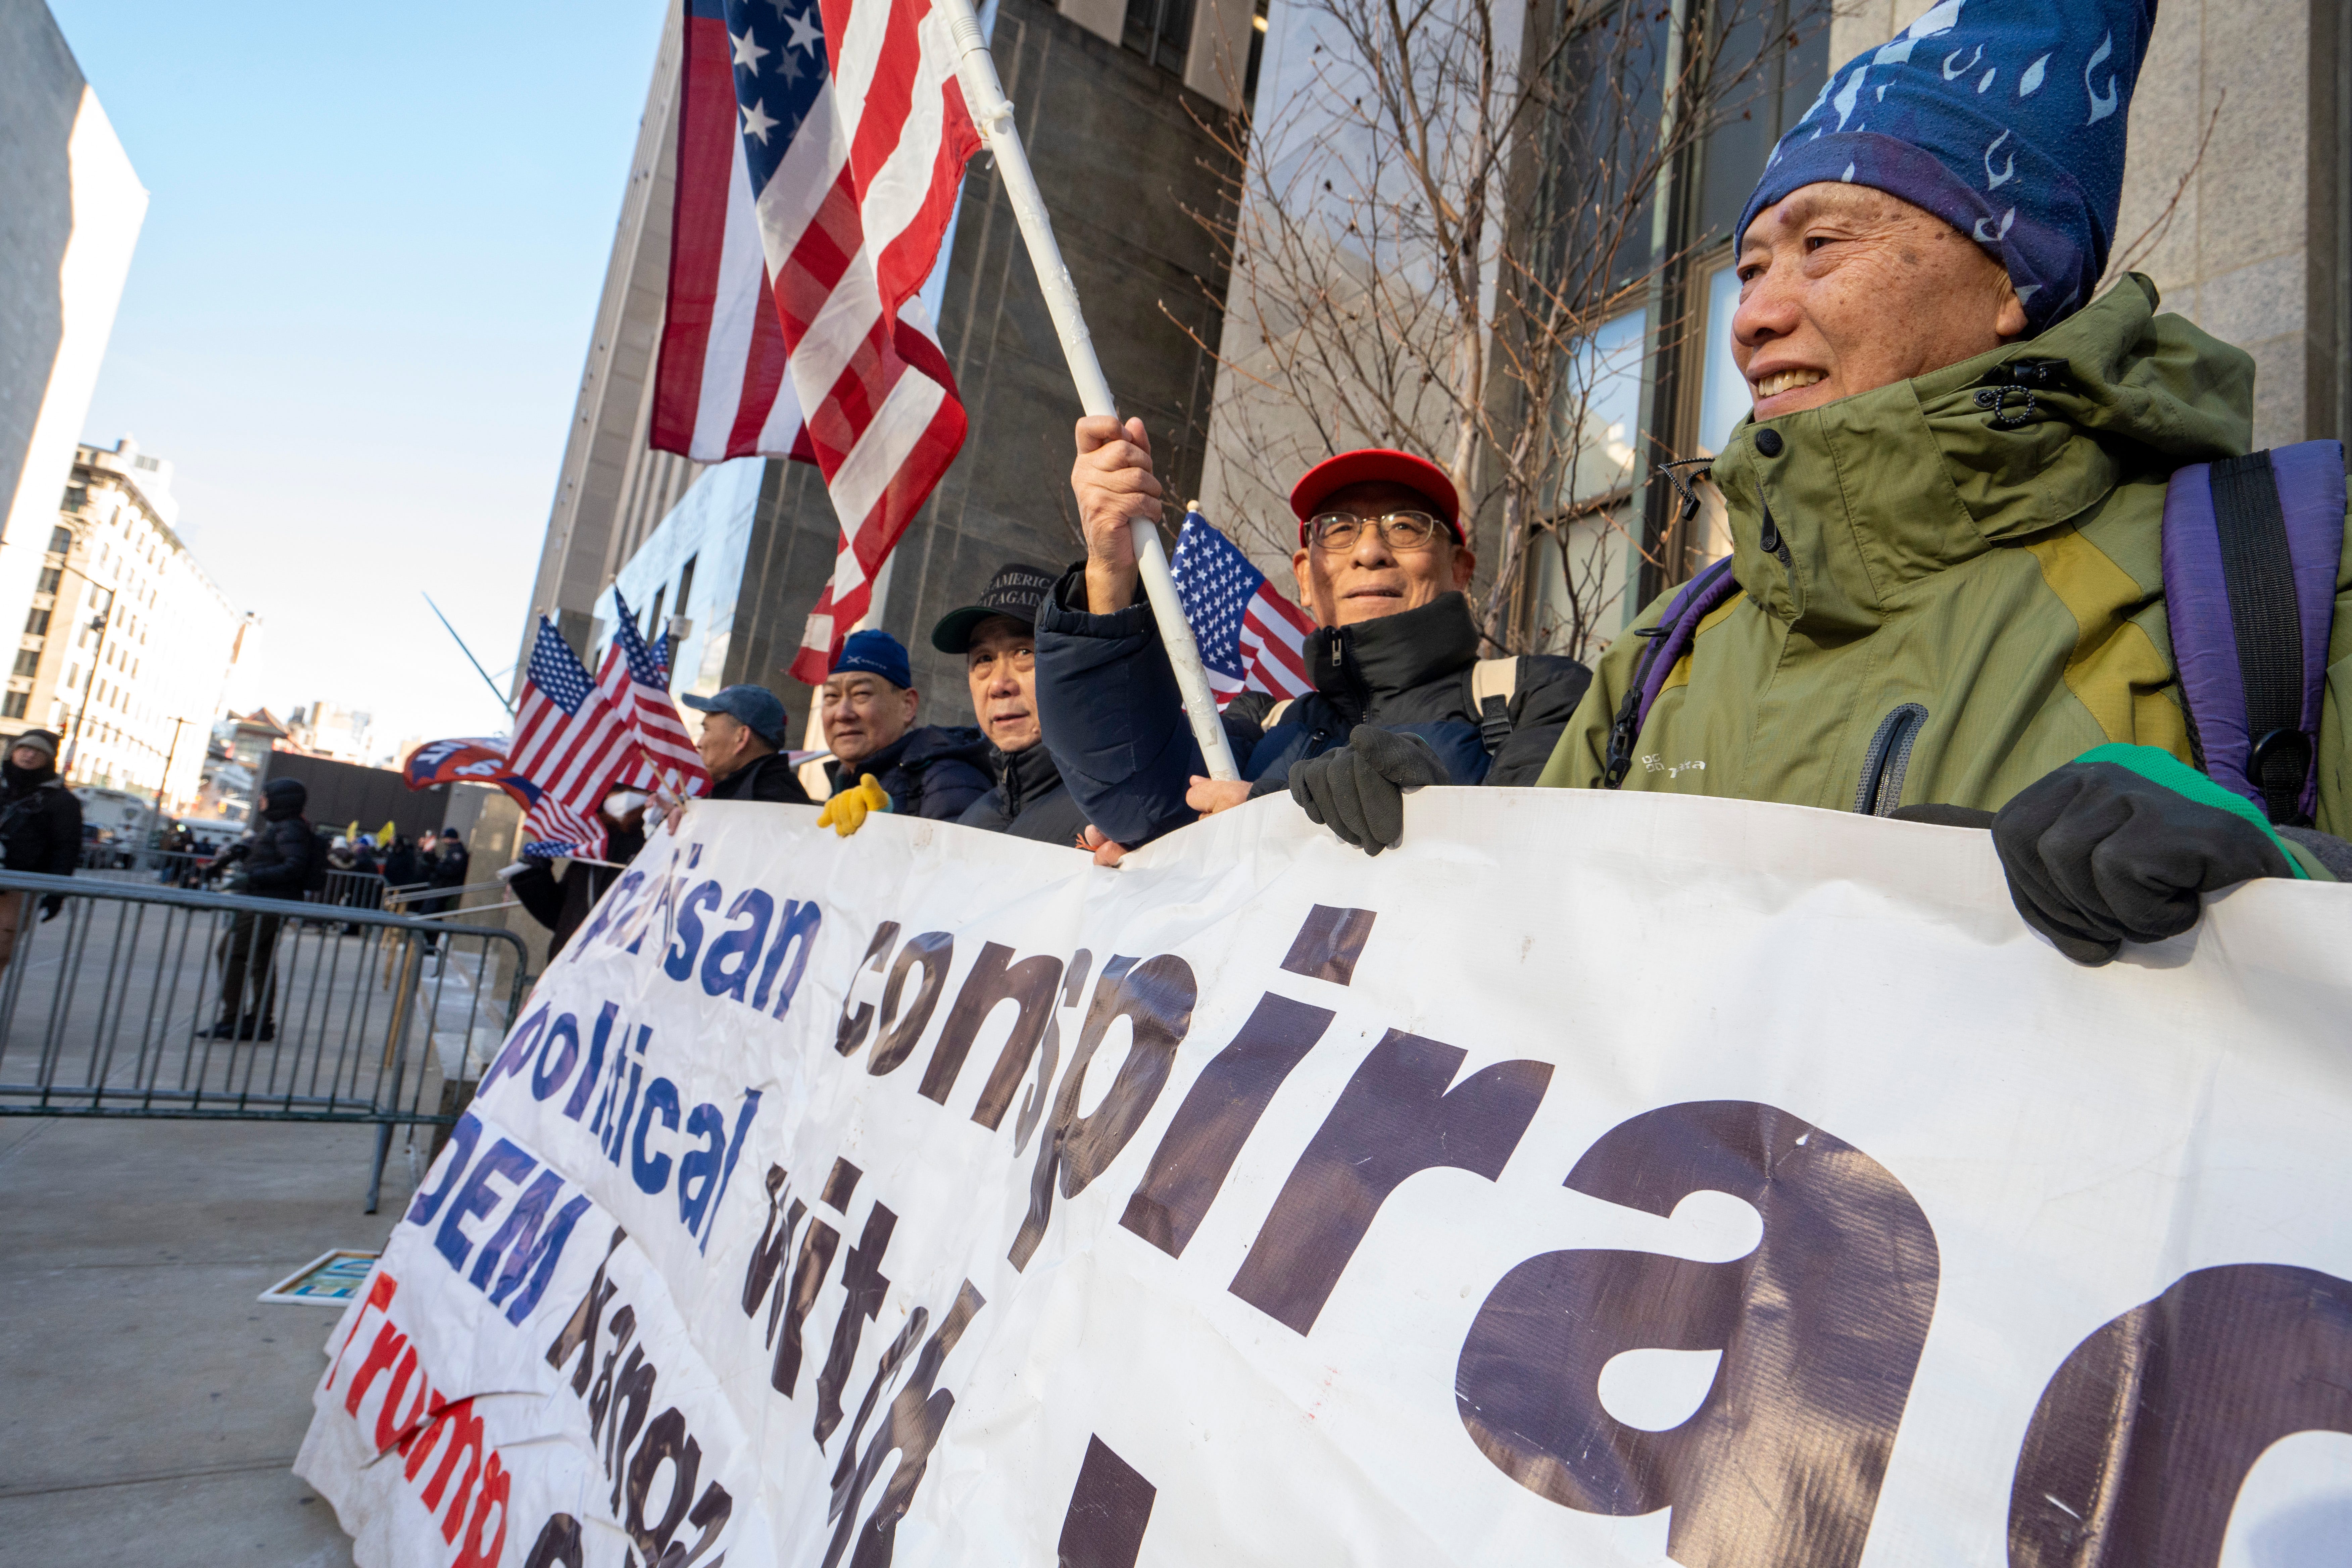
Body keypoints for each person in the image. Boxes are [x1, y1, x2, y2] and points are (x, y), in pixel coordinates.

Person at [1531, 0, 2352, 963]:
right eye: (1750, 269)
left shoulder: (2279, 584)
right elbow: (1523, 967)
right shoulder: (1665, 652)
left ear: (2012, 278)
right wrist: (1417, 835)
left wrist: (2280, 891)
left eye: (1820, 247)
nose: (1752, 316)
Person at [1039, 446, 1591, 859]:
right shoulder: (1261, 720)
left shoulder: (1540, 694)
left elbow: (1536, 867)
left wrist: (1267, 814)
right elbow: (1140, 801)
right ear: (1305, 577)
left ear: (1459, 571)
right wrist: (1109, 572)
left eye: (1405, 526)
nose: (1370, 551)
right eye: (1337, 529)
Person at [932, 563, 1089, 846]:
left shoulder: (1120, 813)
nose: (999, 685)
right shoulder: (968, 827)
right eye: (984, 659)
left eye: (1024, 652)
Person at [813, 629, 991, 836]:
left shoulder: (947, 780)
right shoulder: (842, 783)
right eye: (831, 696)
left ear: (907, 705)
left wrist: (887, 828)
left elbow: (959, 863)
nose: (843, 714)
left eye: (862, 694)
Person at [203, 776, 326, 1040]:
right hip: (267, 901)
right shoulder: (284, 827)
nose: (261, 801)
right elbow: (266, 851)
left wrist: (251, 878)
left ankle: (234, 1019)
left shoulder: (291, 829)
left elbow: (294, 866)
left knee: (231, 953)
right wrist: (233, 857)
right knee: (262, 961)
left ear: (280, 801)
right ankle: (260, 1021)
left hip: (266, 902)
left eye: (265, 796)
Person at [508, 785, 649, 958]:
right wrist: (533, 875)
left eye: (637, 789)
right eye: (616, 789)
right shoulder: (594, 840)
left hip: (619, 968)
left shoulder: (662, 838)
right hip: (571, 965)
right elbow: (562, 917)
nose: (624, 797)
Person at [0, 731, 82, 975]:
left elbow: (66, 848)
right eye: (24, 748)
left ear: (49, 759)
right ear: (12, 752)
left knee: (2, 947)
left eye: (38, 751)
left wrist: (57, 892)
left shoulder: (61, 801)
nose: (29, 754)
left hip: (20, 884)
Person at [681, 684, 813, 804]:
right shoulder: (769, 793)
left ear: (741, 737)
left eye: (706, 730)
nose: (699, 744)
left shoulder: (761, 803)